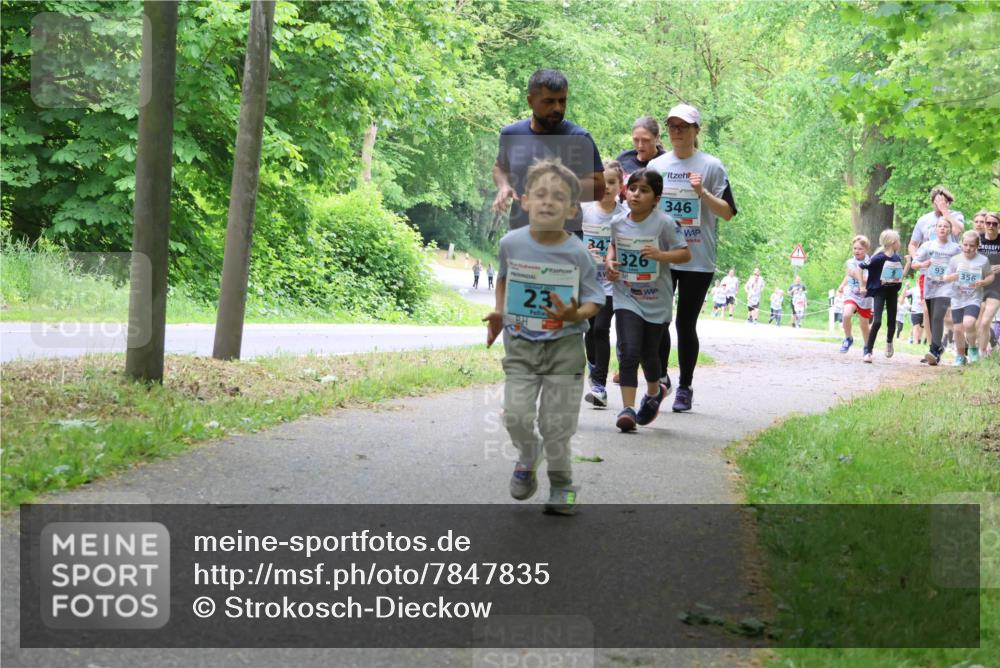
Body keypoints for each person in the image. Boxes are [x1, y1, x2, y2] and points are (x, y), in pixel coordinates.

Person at [483, 158, 604, 516]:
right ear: (524, 201)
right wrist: (500, 313)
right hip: (521, 344)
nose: (548, 202)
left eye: (558, 197)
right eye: (540, 194)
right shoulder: (511, 243)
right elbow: (505, 278)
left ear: (571, 210)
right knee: (516, 416)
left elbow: (595, 299)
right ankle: (527, 453)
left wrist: (575, 314)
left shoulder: (578, 252)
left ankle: (563, 485)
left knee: (557, 425)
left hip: (565, 347)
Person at [647, 104, 737, 413]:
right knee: (658, 321)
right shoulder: (657, 166)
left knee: (685, 323)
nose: (677, 131)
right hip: (663, 255)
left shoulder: (711, 166)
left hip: (698, 258)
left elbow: (727, 213)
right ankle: (661, 379)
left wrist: (701, 193)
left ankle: (685, 386)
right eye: (672, 126)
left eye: (683, 126)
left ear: (697, 129)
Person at [604, 168, 690, 432]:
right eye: (632, 189)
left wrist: (660, 255)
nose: (636, 194)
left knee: (648, 354)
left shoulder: (665, 223)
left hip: (656, 298)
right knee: (628, 351)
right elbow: (614, 245)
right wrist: (609, 262)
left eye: (644, 191)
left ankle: (655, 390)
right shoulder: (618, 222)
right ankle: (627, 409)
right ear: (625, 191)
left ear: (656, 198)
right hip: (626, 295)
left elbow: (684, 255)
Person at [493, 69, 604, 235]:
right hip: (519, 235)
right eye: (549, 102)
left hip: (565, 239)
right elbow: (500, 167)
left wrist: (559, 187)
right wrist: (504, 185)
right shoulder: (511, 134)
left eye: (562, 101)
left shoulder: (579, 138)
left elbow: (599, 188)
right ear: (530, 101)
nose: (558, 108)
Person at [582, 160, 627, 409]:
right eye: (602, 182)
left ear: (621, 186)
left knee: (601, 329)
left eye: (612, 183)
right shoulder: (585, 210)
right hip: (586, 283)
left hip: (611, 285)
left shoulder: (624, 216)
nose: (607, 187)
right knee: (589, 331)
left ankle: (599, 386)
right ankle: (594, 365)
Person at [908, 186, 965, 356]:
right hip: (928, 274)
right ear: (932, 202)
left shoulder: (955, 216)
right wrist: (919, 261)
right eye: (937, 201)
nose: (940, 204)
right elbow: (913, 244)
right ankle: (936, 346)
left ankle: (936, 350)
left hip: (948, 276)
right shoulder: (924, 220)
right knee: (928, 312)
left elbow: (957, 231)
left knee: (940, 313)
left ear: (948, 202)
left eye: (944, 201)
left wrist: (945, 211)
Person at [911, 218, 963, 365]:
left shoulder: (955, 248)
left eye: (945, 226)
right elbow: (914, 264)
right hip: (930, 286)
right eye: (939, 226)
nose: (942, 229)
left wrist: (955, 274)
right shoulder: (927, 246)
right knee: (933, 317)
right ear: (935, 229)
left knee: (937, 316)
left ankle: (934, 349)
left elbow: (962, 264)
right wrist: (923, 263)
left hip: (946, 287)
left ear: (950, 230)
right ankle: (938, 348)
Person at [942, 230, 995, 365]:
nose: (968, 248)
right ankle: (960, 356)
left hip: (974, 298)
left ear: (977, 246)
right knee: (958, 329)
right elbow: (945, 277)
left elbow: (990, 275)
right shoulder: (955, 260)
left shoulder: (983, 260)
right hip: (957, 298)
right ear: (961, 244)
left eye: (972, 245)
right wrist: (951, 277)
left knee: (969, 323)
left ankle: (972, 348)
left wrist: (983, 282)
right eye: (965, 245)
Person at [860, 229, 905, 362]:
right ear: (892, 242)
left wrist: (906, 265)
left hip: (892, 292)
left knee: (892, 322)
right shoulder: (878, 257)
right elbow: (861, 266)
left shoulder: (897, 258)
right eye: (898, 241)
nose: (900, 243)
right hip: (880, 292)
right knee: (877, 321)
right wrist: (862, 285)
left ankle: (889, 342)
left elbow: (899, 275)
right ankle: (868, 351)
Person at [837, 235, 872, 353]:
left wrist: (861, 279)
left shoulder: (870, 262)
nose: (857, 251)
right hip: (852, 293)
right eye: (855, 248)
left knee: (864, 324)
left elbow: (866, 278)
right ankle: (848, 338)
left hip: (865, 296)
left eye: (860, 249)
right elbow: (850, 273)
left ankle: (867, 347)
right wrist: (842, 285)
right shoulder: (850, 261)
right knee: (846, 314)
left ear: (866, 249)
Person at [975, 211, 1000, 356]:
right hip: (979, 285)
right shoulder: (977, 240)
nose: (991, 226)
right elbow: (965, 258)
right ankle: (980, 349)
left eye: (994, 224)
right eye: (988, 223)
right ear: (984, 224)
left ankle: (982, 352)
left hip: (997, 287)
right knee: (976, 323)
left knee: (985, 321)